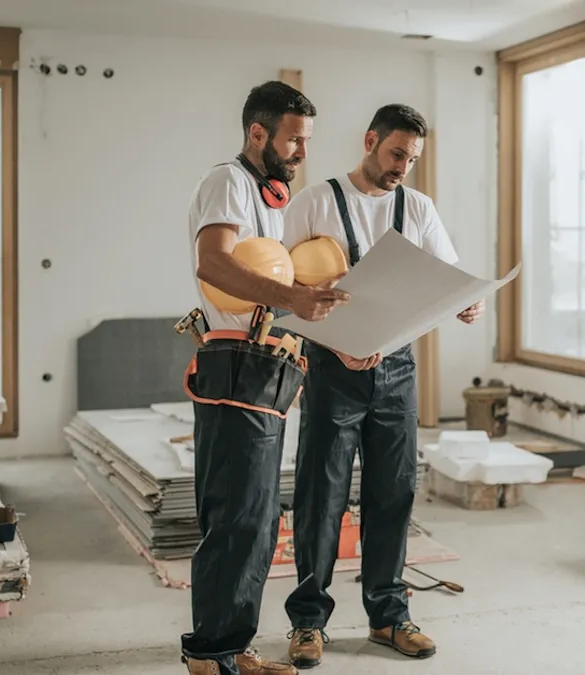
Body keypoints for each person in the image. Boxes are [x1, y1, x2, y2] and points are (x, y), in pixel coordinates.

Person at [279, 103, 483, 668]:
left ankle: (389, 616)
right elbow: (281, 285)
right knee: (322, 496)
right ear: (370, 140)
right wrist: (333, 339)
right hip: (331, 368)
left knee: (393, 493)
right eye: (396, 154)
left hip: (396, 371)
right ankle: (307, 623)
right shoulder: (316, 201)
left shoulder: (417, 207)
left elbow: (448, 276)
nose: (402, 167)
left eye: (412, 159)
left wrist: (468, 302)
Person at [180, 81, 350, 675]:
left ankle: (229, 646)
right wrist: (293, 298)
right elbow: (215, 262)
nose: (302, 151)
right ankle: (214, 652)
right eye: (294, 139)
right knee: (238, 514)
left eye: (306, 140)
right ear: (259, 133)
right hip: (236, 360)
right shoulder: (228, 180)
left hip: (265, 363)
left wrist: (314, 313)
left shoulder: (268, 199)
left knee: (254, 515)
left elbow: (268, 282)